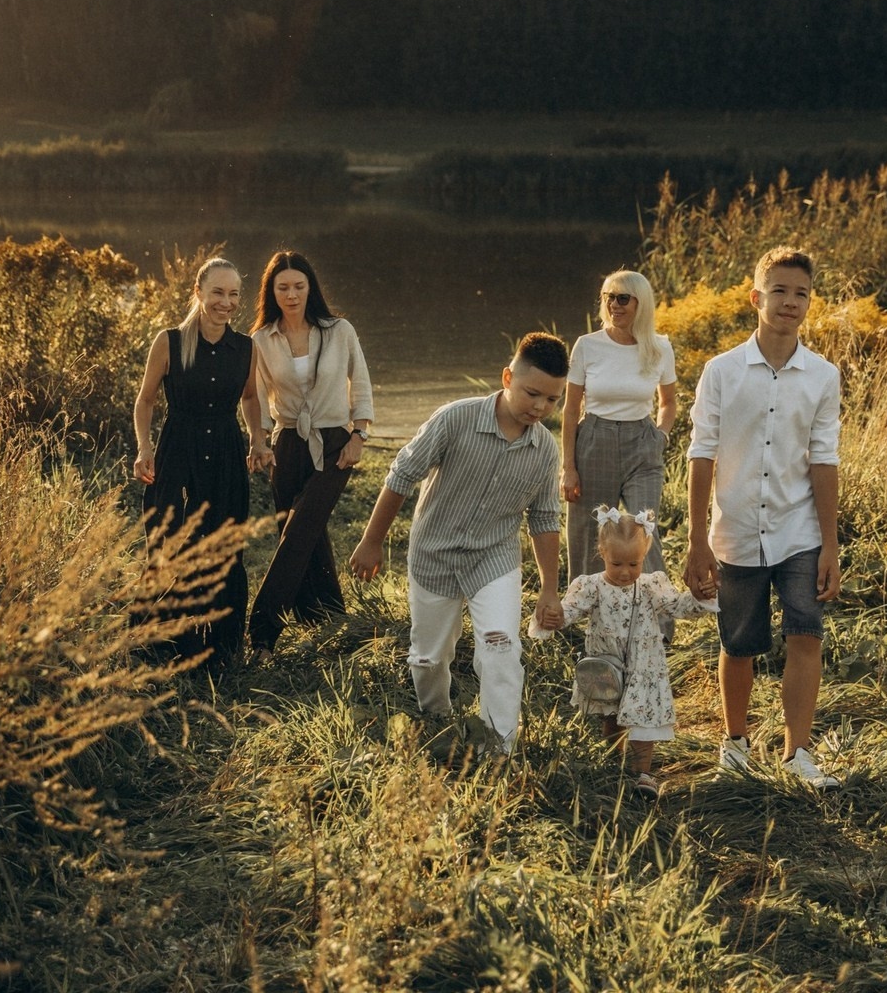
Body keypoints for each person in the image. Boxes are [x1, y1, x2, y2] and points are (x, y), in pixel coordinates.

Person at [349, 332, 569, 757]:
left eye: (552, 400)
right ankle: (437, 720)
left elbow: (544, 519)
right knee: (429, 659)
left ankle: (498, 747)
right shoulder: (454, 419)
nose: (540, 407)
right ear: (507, 378)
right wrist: (371, 541)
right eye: (532, 393)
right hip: (434, 554)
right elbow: (402, 476)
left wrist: (548, 588)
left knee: (502, 646)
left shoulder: (545, 450)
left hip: (494, 557)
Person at [684, 245, 842, 790]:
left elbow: (824, 459)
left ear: (809, 303)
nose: (790, 302)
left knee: (806, 634)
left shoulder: (823, 375)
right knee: (739, 642)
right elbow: (700, 454)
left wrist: (830, 544)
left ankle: (798, 753)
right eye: (779, 291)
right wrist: (696, 540)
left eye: (800, 293)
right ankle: (735, 743)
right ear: (757, 297)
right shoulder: (721, 372)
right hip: (735, 531)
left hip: (799, 529)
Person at [133, 256, 265, 669]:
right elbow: (146, 400)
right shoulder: (169, 342)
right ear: (199, 293)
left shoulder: (246, 347)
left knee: (223, 548)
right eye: (217, 293)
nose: (226, 303)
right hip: (177, 453)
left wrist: (258, 438)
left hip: (225, 454)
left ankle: (219, 651)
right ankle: (158, 645)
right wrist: (144, 448)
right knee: (167, 543)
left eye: (233, 294)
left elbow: (249, 397)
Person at [532, 506, 718, 797]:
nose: (625, 572)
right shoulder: (591, 586)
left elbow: (676, 606)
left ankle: (641, 774)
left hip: (645, 667)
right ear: (602, 552)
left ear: (644, 556)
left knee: (643, 722)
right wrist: (555, 617)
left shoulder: (649, 587)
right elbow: (571, 610)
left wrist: (699, 596)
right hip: (607, 666)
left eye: (634, 564)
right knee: (611, 717)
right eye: (617, 563)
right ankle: (613, 765)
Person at [247, 250, 372, 661]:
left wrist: (359, 434)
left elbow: (362, 382)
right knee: (306, 533)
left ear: (310, 288)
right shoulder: (262, 339)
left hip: (335, 442)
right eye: (283, 287)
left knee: (300, 529)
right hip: (287, 445)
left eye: (299, 286)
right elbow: (255, 396)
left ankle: (262, 631)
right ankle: (329, 618)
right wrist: (260, 440)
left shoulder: (339, 330)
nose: (292, 294)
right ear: (272, 291)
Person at [561, 270, 677, 584]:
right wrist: (568, 467)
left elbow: (668, 402)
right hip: (595, 441)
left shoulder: (660, 347)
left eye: (622, 298)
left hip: (642, 443)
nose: (614, 304)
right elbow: (571, 411)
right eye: (608, 297)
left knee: (645, 530)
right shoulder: (587, 346)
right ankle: (585, 614)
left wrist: (660, 436)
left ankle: (658, 624)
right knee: (588, 533)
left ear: (642, 304)